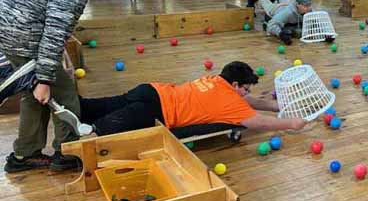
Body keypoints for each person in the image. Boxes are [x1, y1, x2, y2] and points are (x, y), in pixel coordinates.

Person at [0, 0, 114, 173]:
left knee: (35, 98)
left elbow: (54, 30)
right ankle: (67, 153)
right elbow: (52, 37)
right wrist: (44, 79)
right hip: (21, 39)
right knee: (65, 94)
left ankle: (24, 155)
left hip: (12, 33)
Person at [79, 61, 306, 136]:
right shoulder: (230, 103)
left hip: (151, 90)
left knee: (97, 106)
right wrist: (291, 123)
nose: (247, 93)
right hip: (156, 112)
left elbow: (250, 101)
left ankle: (69, 104)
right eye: (246, 88)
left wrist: (277, 105)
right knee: (96, 131)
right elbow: (259, 122)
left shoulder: (216, 80)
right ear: (235, 85)